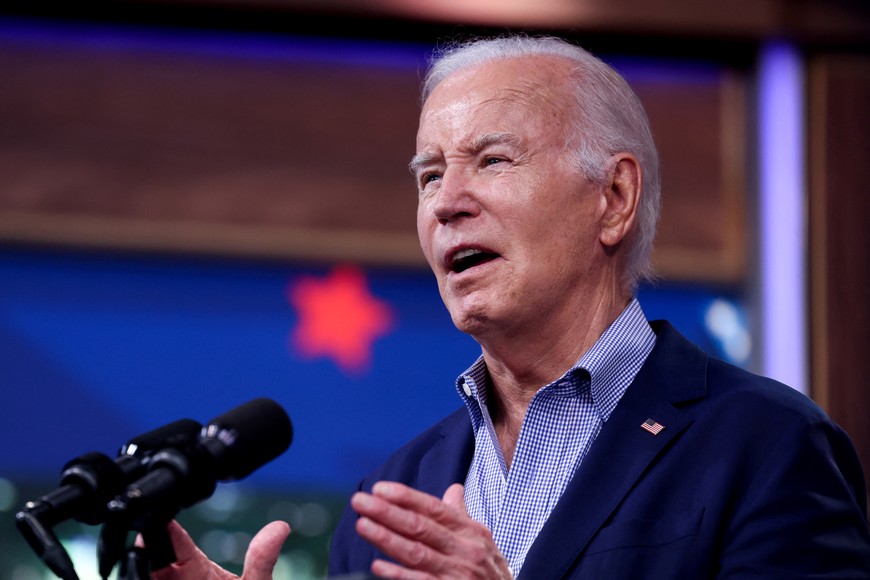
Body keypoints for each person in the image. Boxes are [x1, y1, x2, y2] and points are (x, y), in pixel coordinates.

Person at [152, 35, 870, 579]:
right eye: (429, 175)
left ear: (612, 199)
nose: (446, 203)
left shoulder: (768, 445)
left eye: (492, 161)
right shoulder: (396, 492)